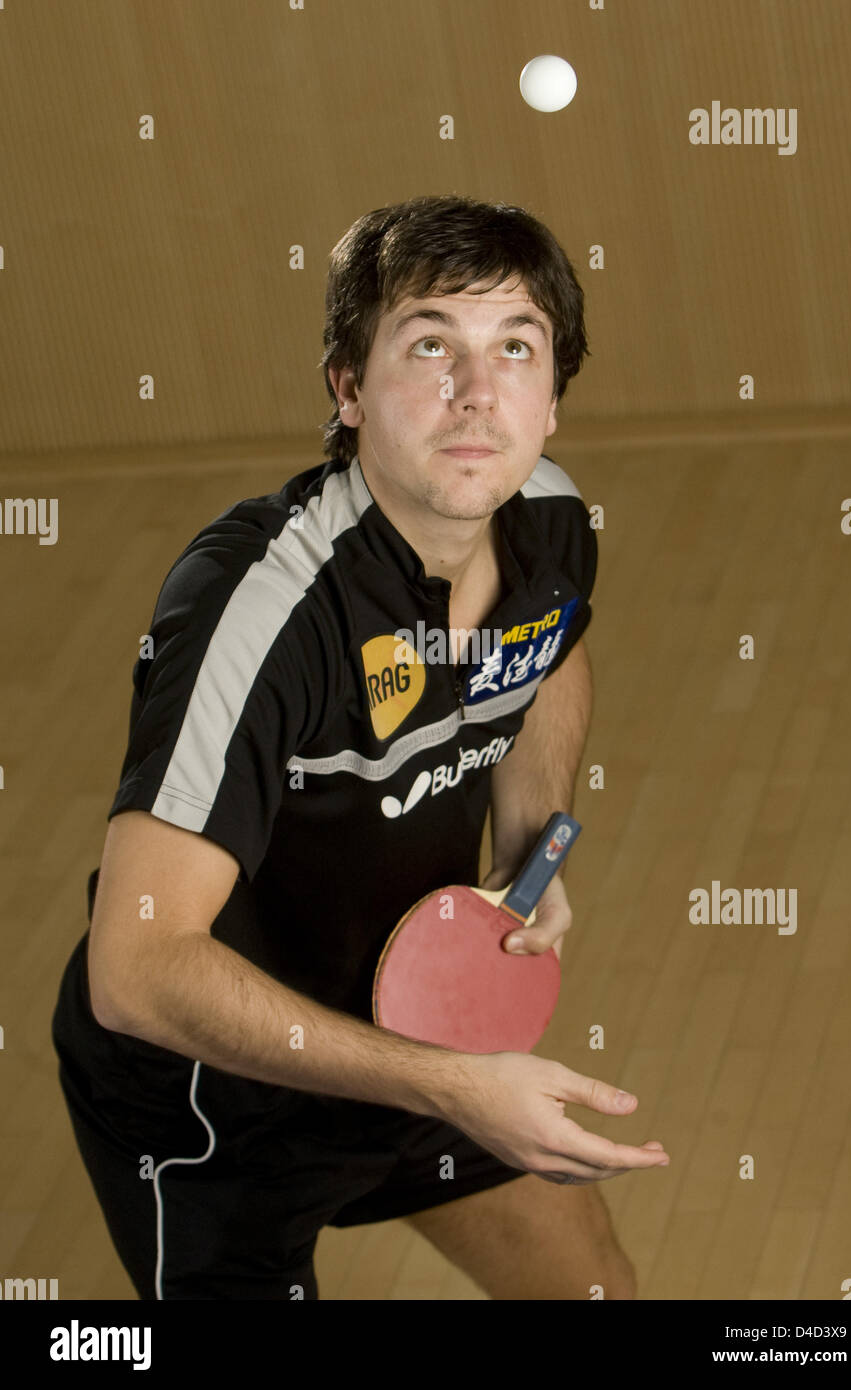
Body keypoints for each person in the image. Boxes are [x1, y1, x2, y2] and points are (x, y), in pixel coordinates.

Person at [52, 194, 669, 1301]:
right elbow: (135, 968)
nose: (477, 393)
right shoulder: (261, 613)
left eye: (516, 349)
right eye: (430, 343)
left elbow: (552, 658)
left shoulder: (551, 522)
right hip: (214, 1106)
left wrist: (533, 844)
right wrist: (451, 1084)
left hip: (422, 1030)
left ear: (554, 397)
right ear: (347, 386)